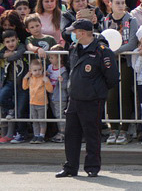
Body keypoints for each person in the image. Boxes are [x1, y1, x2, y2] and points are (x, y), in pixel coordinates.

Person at [56, 18, 120, 179]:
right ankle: (70, 166)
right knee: (71, 134)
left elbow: (112, 77)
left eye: (75, 32)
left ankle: (92, 167)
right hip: (75, 97)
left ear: (83, 33)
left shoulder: (101, 50)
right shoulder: (74, 47)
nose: (72, 35)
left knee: (92, 134)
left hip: (92, 99)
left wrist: (96, 90)